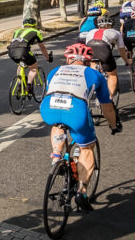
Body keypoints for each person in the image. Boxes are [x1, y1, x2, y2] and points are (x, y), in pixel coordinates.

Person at [40, 44, 122, 211]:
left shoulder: (54, 71)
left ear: (68, 59)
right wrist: (114, 126)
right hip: (75, 111)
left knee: (58, 123)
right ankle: (82, 192)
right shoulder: (94, 74)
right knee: (87, 148)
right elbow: (106, 106)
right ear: (88, 61)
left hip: (48, 108)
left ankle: (56, 157)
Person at [84, 16, 130, 97]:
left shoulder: (90, 32)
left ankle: (92, 84)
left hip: (90, 49)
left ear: (98, 26)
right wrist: (126, 61)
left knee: (93, 67)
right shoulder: (115, 32)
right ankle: (110, 98)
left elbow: (87, 45)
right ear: (111, 25)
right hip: (104, 50)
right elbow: (122, 50)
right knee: (112, 75)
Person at [7, 17, 53, 90]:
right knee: (34, 68)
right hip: (24, 51)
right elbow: (42, 47)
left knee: (20, 64)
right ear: (35, 25)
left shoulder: (17, 31)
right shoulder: (36, 31)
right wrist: (47, 57)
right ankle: (28, 86)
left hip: (11, 51)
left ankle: (20, 83)